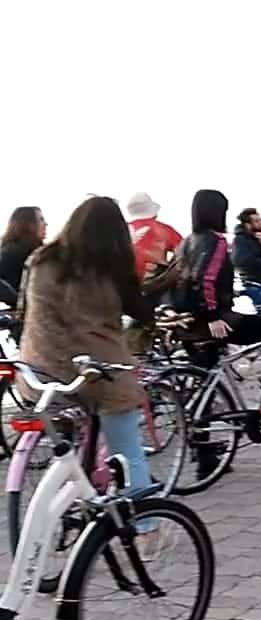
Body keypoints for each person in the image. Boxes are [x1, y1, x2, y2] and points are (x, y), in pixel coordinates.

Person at [17, 197, 156, 515]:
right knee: (128, 452)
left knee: (69, 445)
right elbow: (140, 311)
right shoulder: (111, 269)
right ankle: (147, 527)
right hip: (96, 372)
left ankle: (68, 506)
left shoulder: (42, 260)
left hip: (42, 371)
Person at [175, 190, 261, 416]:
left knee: (205, 385)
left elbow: (186, 279)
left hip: (189, 323)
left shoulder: (187, 242)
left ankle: (204, 444)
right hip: (213, 321)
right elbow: (206, 279)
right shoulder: (216, 241)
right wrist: (213, 315)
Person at [125, 192, 183, 283]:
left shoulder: (123, 229)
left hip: (126, 283)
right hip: (156, 284)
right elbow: (184, 253)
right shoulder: (164, 229)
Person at [0, 207, 46, 305]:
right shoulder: (15, 253)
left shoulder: (10, 250)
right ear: (28, 225)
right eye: (41, 219)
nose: (46, 224)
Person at [231, 208, 261, 307]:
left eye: (260, 221)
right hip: (255, 284)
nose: (260, 224)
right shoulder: (241, 240)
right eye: (256, 221)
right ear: (248, 225)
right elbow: (243, 262)